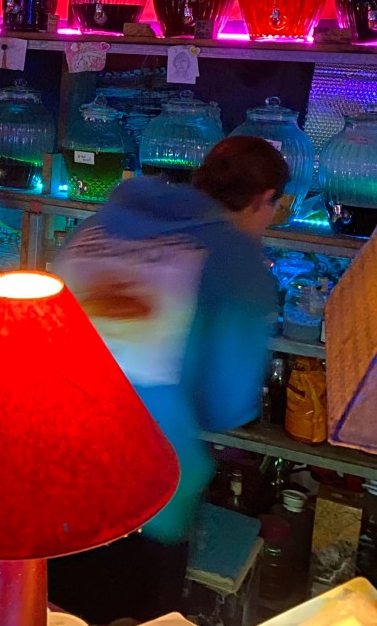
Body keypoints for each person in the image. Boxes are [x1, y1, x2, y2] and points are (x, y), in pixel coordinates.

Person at [47, 135, 289, 624]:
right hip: (149, 487)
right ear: (263, 199)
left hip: (49, 463)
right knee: (133, 612)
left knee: (50, 605)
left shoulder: (96, 225)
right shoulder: (236, 260)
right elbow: (227, 404)